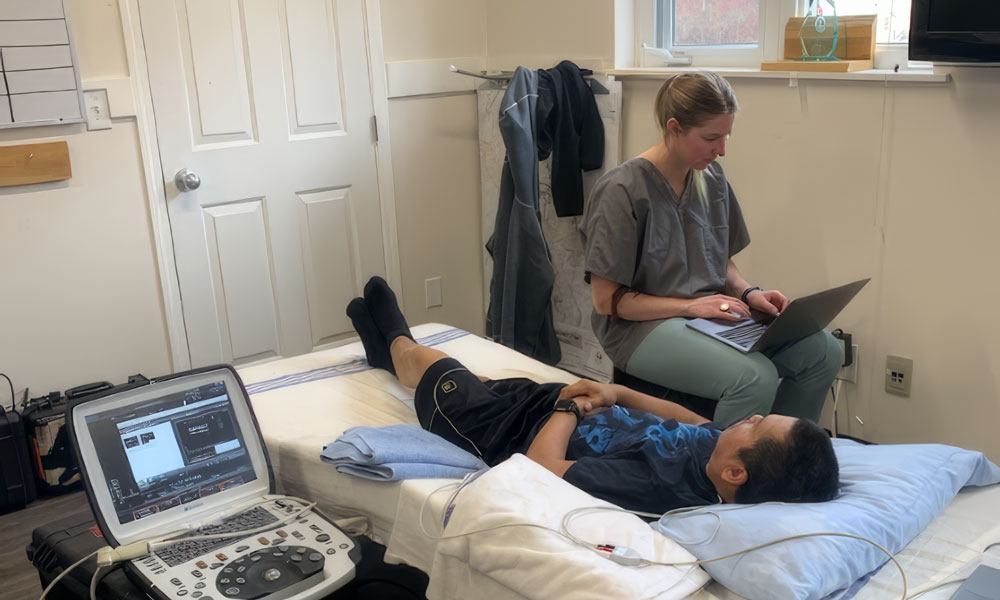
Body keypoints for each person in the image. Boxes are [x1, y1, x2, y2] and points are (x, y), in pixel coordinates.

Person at [346, 276, 839, 515]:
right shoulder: (719, 453)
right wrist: (618, 392)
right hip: (558, 407)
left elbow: (542, 471)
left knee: (434, 367)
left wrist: (568, 408)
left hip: (505, 432)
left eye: (757, 425)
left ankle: (394, 341)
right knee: (484, 376)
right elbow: (687, 418)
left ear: (737, 474)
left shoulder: (660, 485)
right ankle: (384, 350)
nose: (750, 416)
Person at [579, 72, 842, 427]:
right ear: (674, 127)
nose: (722, 150)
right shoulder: (622, 191)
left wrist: (749, 293)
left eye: (726, 136)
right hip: (641, 328)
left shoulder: (712, 179)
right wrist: (690, 306)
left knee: (824, 351)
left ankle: (784, 455)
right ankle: (720, 475)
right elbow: (606, 301)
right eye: (711, 138)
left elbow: (721, 261)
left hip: (708, 315)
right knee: (754, 377)